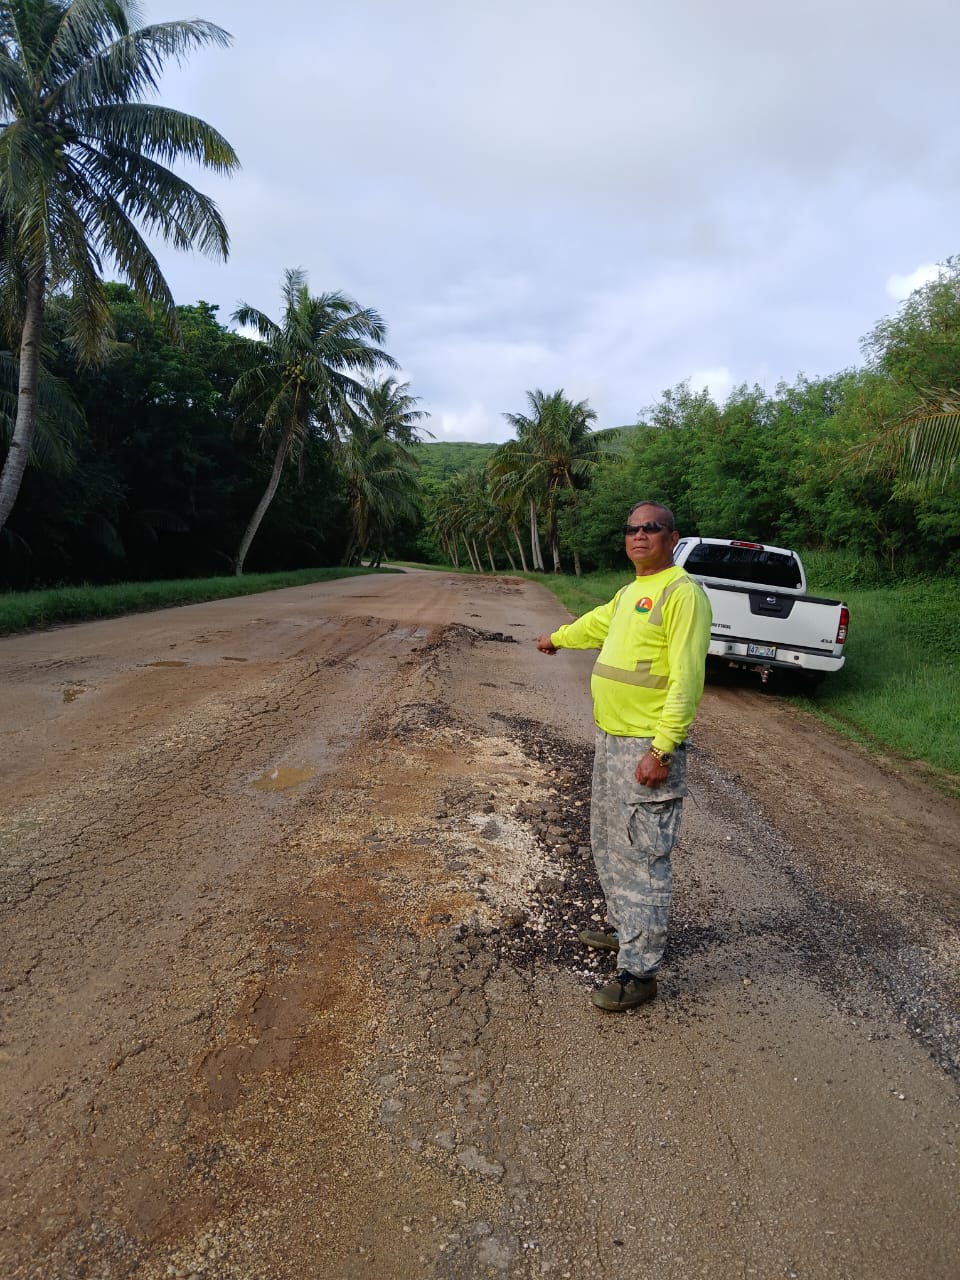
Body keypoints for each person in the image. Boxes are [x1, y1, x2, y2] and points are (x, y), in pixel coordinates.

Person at [536, 501, 712, 1011]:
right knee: (609, 842)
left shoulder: (683, 595)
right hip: (611, 739)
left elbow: (687, 677)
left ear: (672, 538)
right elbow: (595, 625)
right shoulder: (633, 590)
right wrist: (556, 639)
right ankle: (627, 931)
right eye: (632, 528)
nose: (639, 536)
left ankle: (640, 972)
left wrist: (663, 747)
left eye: (651, 529)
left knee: (642, 856)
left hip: (647, 746)